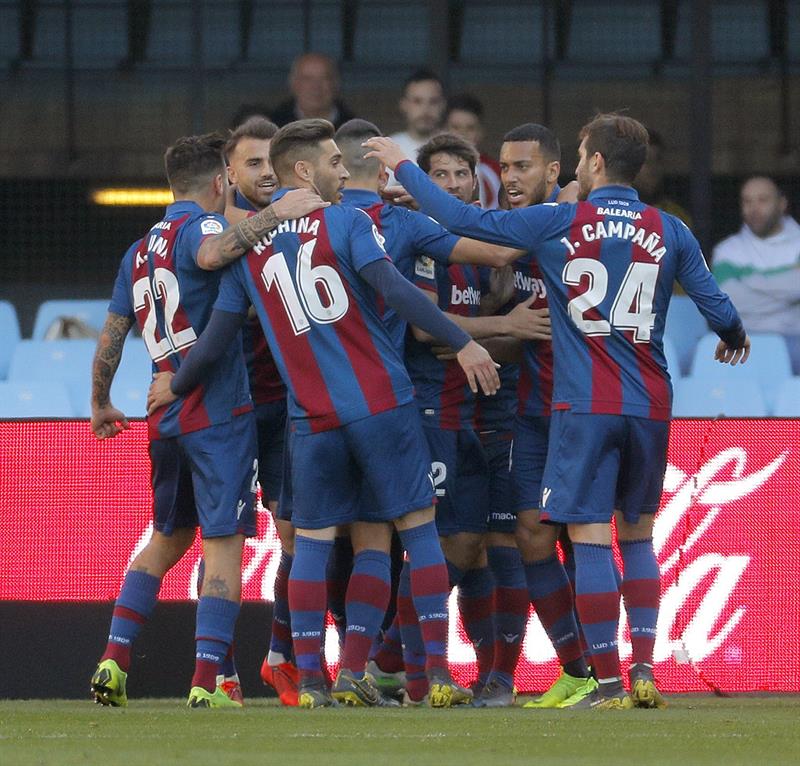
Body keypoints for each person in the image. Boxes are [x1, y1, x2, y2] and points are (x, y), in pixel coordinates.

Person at [364, 112, 750, 709]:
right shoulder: (671, 229)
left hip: (583, 402)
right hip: (650, 403)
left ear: (595, 162)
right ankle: (645, 671)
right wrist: (732, 332)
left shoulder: (561, 221)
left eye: (578, 154)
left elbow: (467, 218)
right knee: (639, 536)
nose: (574, 164)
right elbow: (716, 305)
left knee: (591, 537)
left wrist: (402, 166)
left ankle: (610, 682)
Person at [147, 118, 501, 708]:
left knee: (310, 545)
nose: (345, 171)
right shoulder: (348, 222)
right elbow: (398, 292)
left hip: (311, 419)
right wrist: (462, 341)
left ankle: (312, 679)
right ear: (305, 171)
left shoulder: (254, 250)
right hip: (381, 404)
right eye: (335, 161)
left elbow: (214, 340)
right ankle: (435, 675)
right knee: (417, 534)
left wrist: (175, 385)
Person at [88, 133, 321, 709]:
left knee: (166, 539)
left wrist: (101, 402)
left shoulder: (137, 251)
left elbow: (111, 340)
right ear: (219, 183)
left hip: (162, 415)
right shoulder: (204, 228)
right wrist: (276, 213)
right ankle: (206, 681)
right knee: (223, 545)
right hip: (216, 413)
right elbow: (215, 255)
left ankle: (113, 661)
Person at [334, 121, 547, 704]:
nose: (455, 183)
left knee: (475, 546)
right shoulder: (410, 235)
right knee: (437, 543)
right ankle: (402, 666)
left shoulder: (478, 253)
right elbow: (430, 329)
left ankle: (439, 669)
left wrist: (504, 316)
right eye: (441, 175)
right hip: (426, 408)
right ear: (413, 182)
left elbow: (501, 291)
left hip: (478, 414)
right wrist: (504, 326)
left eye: (463, 174)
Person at [223, 116, 299, 705]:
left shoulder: (301, 226)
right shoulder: (214, 237)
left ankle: (280, 656)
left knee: (296, 534)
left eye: (273, 160)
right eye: (253, 162)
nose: (267, 171)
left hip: (287, 403)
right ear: (228, 173)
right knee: (224, 539)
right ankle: (220, 669)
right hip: (229, 408)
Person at [712, 175, 800, 371]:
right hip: (742, 342)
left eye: (763, 200)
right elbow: (729, 302)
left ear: (782, 203)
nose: (754, 209)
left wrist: (750, 282)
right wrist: (789, 293)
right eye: (747, 201)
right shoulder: (727, 251)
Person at [387, 69, 446, 184]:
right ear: (403, 104)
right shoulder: (387, 150)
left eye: (433, 101)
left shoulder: (460, 150)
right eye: (417, 101)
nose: (425, 109)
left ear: (443, 105)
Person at [445, 94, 502, 209]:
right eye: (456, 127)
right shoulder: (430, 171)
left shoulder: (496, 171)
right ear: (443, 130)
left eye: (470, 128)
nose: (462, 135)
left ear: (481, 132)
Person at [269, 53, 355, 129]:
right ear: (294, 85)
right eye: (307, 79)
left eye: (324, 78)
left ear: (335, 85)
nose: (316, 87)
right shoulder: (274, 128)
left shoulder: (354, 130)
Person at [634, 130, 692, 227]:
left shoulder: (678, 216)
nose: (653, 167)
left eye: (658, 159)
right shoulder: (615, 211)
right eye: (646, 160)